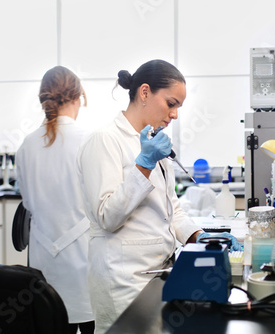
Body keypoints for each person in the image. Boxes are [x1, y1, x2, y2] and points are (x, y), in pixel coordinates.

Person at [76, 59, 240, 333]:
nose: (175, 114)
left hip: (159, 274)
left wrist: (200, 237)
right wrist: (144, 164)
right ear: (144, 93)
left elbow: (172, 210)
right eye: (171, 103)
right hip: (123, 279)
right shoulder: (104, 140)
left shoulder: (153, 142)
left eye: (178, 107)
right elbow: (107, 216)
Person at [16, 66, 95, 334]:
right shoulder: (89, 140)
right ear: (78, 97)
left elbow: (28, 204)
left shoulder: (27, 145)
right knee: (88, 322)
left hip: (41, 260)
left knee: (50, 321)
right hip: (83, 260)